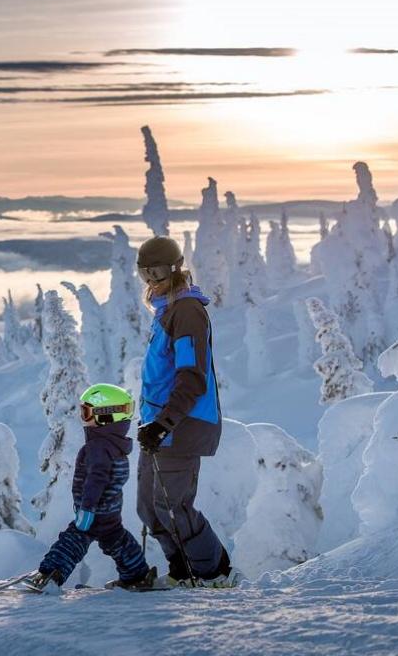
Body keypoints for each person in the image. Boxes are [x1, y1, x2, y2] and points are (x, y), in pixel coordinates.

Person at [134, 235, 240, 588]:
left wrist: (164, 424)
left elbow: (192, 378)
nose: (152, 280)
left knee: (172, 506)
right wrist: (152, 422)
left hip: (181, 424)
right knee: (149, 508)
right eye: (145, 273)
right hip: (159, 424)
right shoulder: (167, 310)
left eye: (158, 271)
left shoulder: (187, 312)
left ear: (176, 269)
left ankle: (214, 572)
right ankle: (183, 570)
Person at [26, 383, 156, 592]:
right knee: (117, 541)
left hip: (94, 512)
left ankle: (49, 575)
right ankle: (137, 575)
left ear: (105, 416)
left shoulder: (98, 447)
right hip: (109, 513)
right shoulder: (115, 445)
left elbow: (97, 479)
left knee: (73, 540)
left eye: (86, 413)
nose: (83, 419)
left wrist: (87, 508)